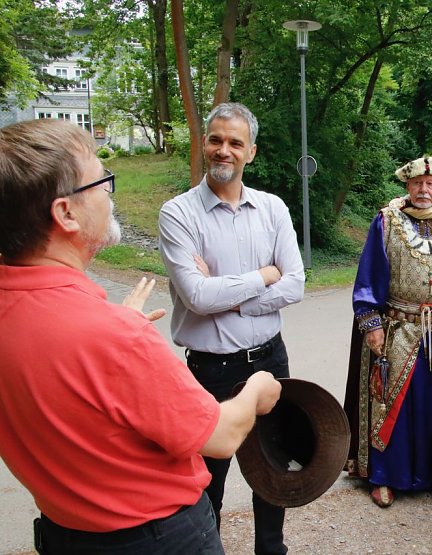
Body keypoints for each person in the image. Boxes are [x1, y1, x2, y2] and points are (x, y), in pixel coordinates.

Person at [0, 119, 282, 554]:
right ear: (65, 213)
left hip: (66, 534)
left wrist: (109, 330)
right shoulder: (112, 335)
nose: (110, 195)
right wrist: (258, 389)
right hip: (156, 539)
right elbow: (222, 436)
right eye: (101, 181)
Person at [158, 102, 304, 555]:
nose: (224, 150)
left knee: (272, 471)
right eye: (216, 140)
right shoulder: (178, 214)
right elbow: (197, 298)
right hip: (209, 372)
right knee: (207, 483)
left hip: (269, 360)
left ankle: (271, 551)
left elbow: (296, 283)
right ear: (204, 144)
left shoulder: (273, 208)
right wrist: (263, 275)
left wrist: (226, 298)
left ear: (251, 152)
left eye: (235, 143)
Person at [343, 155, 432, 508]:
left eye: (431, 183)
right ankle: (387, 477)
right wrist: (371, 324)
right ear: (407, 186)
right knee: (393, 403)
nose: (424, 189)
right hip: (398, 327)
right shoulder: (386, 221)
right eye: (417, 183)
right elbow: (368, 277)